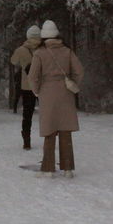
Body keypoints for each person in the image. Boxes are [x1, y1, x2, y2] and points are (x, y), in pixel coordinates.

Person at [28, 20, 84, 178]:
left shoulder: (39, 53)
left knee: (49, 130)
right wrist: (72, 83)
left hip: (47, 93)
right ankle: (68, 169)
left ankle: (48, 168)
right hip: (65, 92)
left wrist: (37, 91)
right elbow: (79, 71)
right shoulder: (67, 51)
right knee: (65, 130)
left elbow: (32, 77)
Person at [10, 25, 41, 149]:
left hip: (27, 85)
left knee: (27, 115)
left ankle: (26, 140)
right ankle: (51, 137)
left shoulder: (21, 49)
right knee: (47, 112)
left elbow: (13, 61)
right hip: (41, 85)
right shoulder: (43, 49)